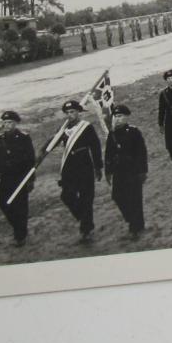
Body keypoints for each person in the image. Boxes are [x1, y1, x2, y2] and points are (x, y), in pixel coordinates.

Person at [56, 100, 103, 243]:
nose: (70, 115)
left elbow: (95, 147)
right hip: (69, 168)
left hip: (84, 166)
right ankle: (84, 218)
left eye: (73, 112)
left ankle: (86, 231)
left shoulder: (86, 127)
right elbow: (53, 142)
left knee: (86, 198)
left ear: (78, 112)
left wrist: (98, 167)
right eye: (68, 113)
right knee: (66, 195)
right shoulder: (63, 129)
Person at [0, 111, 36, 247]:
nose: (7, 125)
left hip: (20, 177)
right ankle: (19, 228)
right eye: (4, 122)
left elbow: (30, 160)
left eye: (10, 122)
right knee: (3, 204)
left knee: (21, 207)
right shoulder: (0, 139)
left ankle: (20, 236)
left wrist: (31, 179)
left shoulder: (24, 138)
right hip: (5, 178)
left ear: (16, 123)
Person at [104, 104, 148, 240]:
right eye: (115, 116)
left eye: (120, 116)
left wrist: (142, 171)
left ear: (127, 117)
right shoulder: (112, 134)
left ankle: (136, 226)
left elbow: (142, 152)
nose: (117, 119)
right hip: (118, 172)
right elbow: (108, 154)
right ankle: (131, 219)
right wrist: (108, 171)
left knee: (135, 199)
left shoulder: (134, 132)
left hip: (133, 171)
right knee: (117, 196)